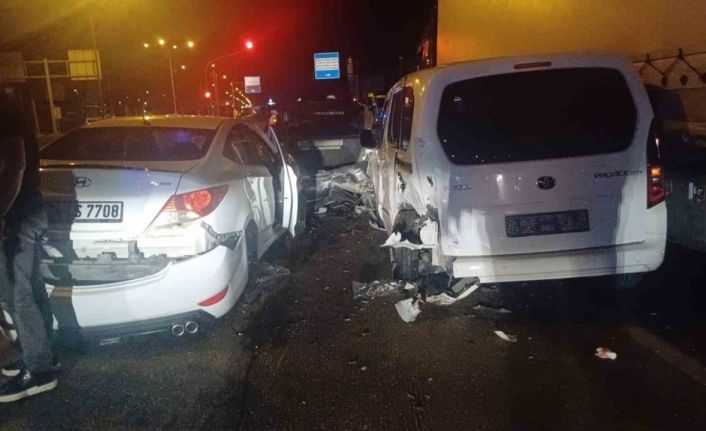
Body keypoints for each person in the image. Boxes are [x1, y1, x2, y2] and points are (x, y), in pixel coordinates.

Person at [0, 92, 58, 402]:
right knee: (30, 288)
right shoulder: (10, 106)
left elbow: (16, 165)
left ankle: (39, 371)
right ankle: (42, 355)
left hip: (16, 217)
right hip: (25, 211)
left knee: (17, 293)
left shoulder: (3, 110)